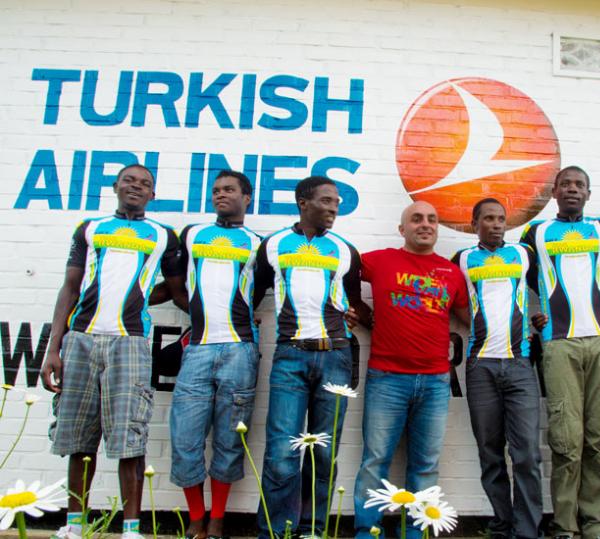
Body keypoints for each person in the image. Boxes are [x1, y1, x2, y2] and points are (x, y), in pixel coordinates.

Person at [40, 164, 185, 539]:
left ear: (153, 195)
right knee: (79, 439)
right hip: (81, 339)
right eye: (130, 181)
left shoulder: (163, 235)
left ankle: (131, 529)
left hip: (130, 343)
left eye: (145, 184)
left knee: (129, 439)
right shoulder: (89, 229)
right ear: (116, 186)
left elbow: (173, 289)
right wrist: (53, 348)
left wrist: (136, 302)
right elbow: (69, 288)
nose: (136, 187)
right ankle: (74, 525)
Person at [253, 176, 367, 539]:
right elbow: (252, 295)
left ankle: (312, 530)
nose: (334, 208)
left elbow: (354, 302)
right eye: (326, 201)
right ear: (303, 202)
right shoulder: (272, 245)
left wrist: (364, 318)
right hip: (290, 356)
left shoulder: (345, 249)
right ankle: (275, 532)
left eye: (336, 202)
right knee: (282, 451)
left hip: (335, 356)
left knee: (322, 452)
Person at [352, 201, 470, 539]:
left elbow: (467, 317)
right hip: (387, 378)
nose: (425, 224)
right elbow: (339, 275)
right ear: (402, 229)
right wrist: (358, 311)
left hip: (435, 382)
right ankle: (366, 530)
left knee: (426, 464)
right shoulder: (379, 260)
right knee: (376, 460)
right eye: (416, 219)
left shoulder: (450, 273)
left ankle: (416, 532)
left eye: (432, 219)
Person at [521, 165, 600, 539]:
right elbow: (525, 276)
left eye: (580, 184)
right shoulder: (537, 233)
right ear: (554, 192)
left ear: (589, 193)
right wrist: (540, 310)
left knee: (597, 437)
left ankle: (596, 523)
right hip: (558, 343)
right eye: (566, 184)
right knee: (565, 439)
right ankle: (565, 526)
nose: (573, 190)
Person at [164, 170, 262, 539]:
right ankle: (195, 516)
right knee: (185, 437)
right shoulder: (191, 234)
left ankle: (217, 518)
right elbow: (175, 282)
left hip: (240, 350)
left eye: (230, 190)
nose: (221, 195)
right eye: (216, 191)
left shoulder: (258, 243)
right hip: (198, 349)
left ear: (246, 197)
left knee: (229, 438)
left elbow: (264, 286)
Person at [451, 198, 542, 539]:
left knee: (527, 455)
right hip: (481, 367)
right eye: (488, 218)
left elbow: (548, 291)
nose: (496, 224)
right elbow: (453, 301)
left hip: (519, 365)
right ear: (475, 224)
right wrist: (476, 325)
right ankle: (503, 525)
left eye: (501, 218)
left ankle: (528, 531)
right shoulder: (461, 259)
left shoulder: (523, 255)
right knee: (490, 453)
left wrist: (541, 320)